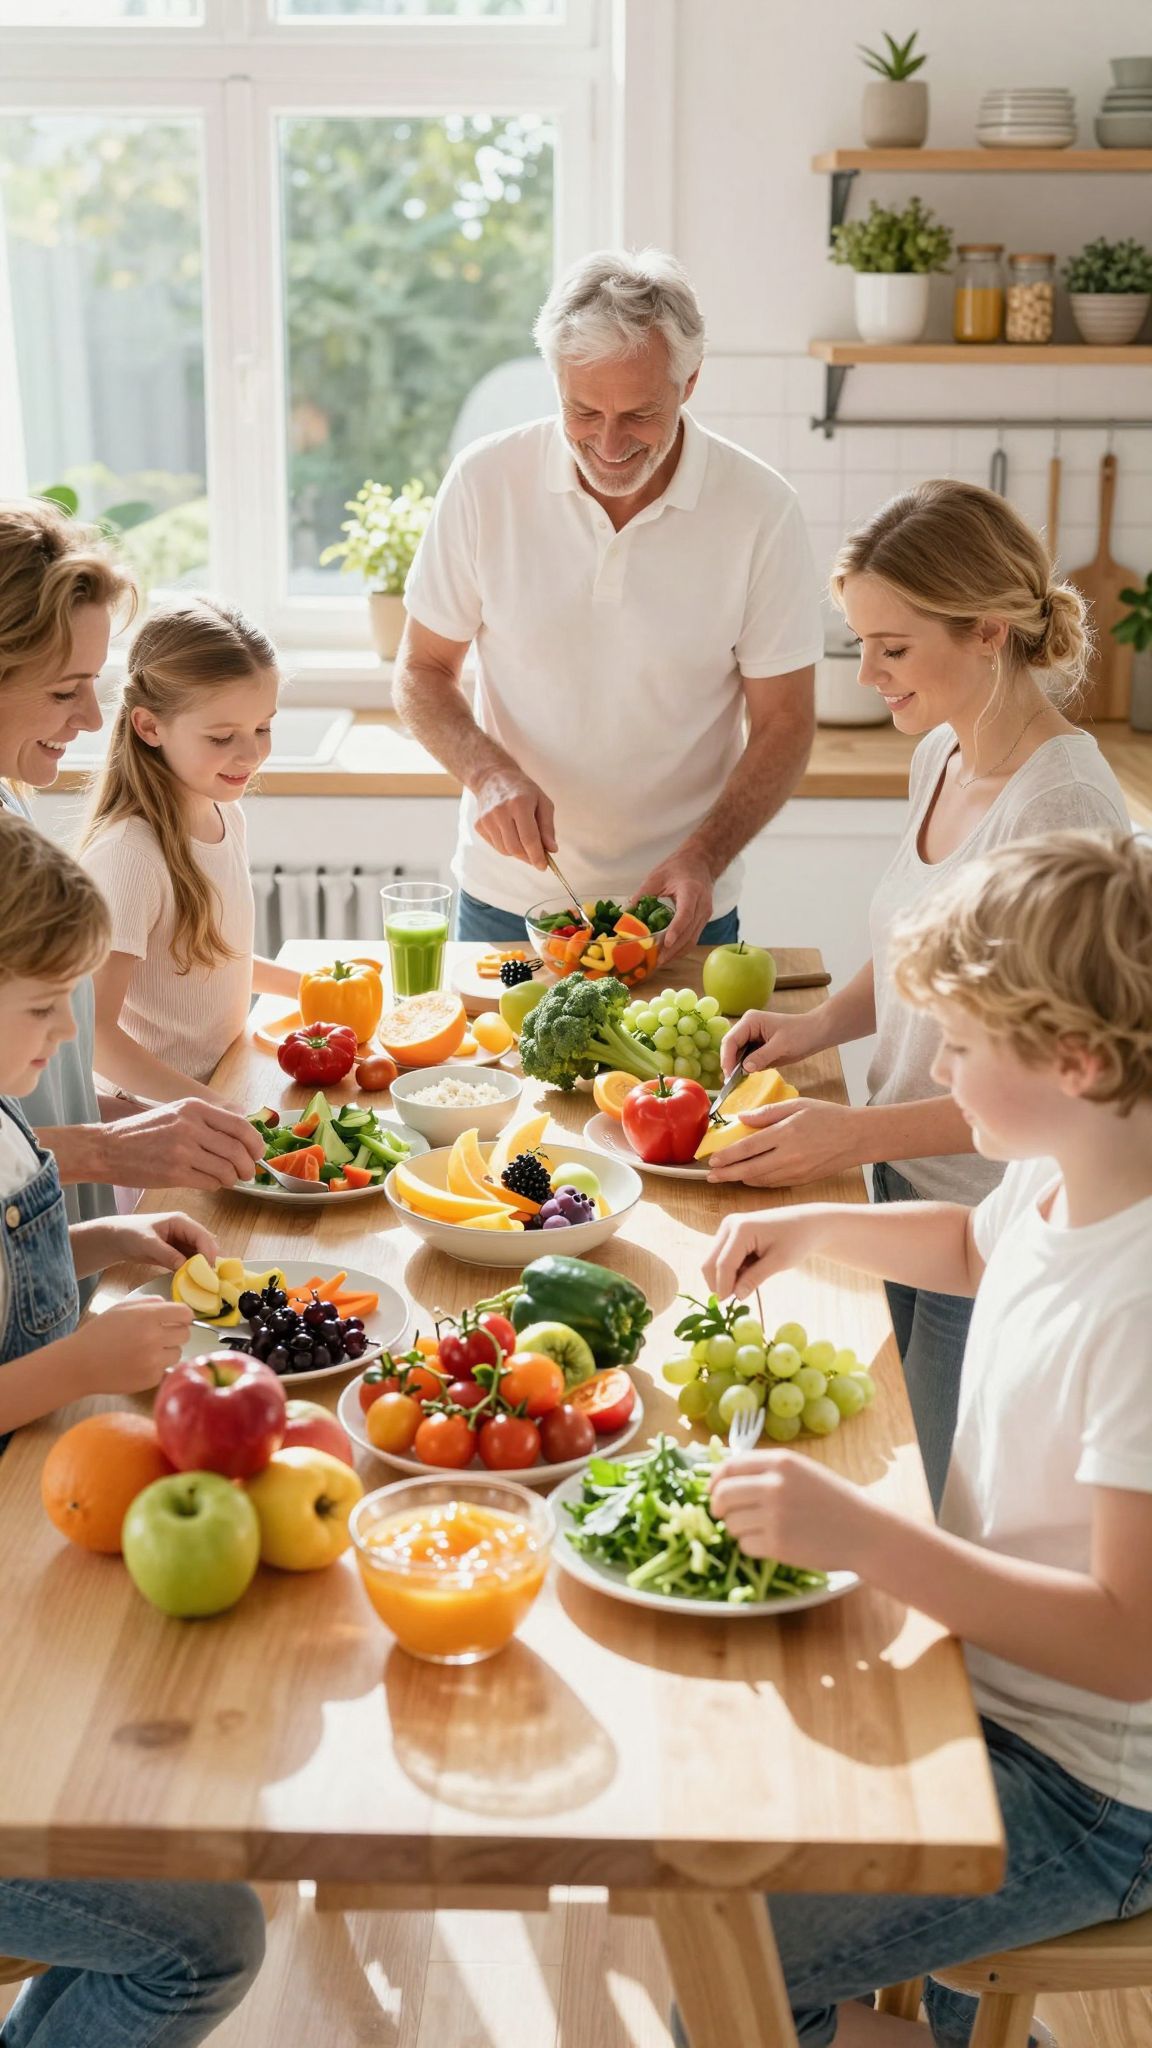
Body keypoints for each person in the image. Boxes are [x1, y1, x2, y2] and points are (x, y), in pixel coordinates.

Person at [700, 831, 1152, 2048]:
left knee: (725, 1953)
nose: (938, 1073)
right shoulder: (1072, 1173)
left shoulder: (1145, 1298)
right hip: (990, 1686)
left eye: (957, 1047)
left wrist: (864, 1535)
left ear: (1076, 1058)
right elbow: (972, 1249)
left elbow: (1125, 1644)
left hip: (1092, 1791)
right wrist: (809, 1228)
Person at [717, 482, 1129, 1506]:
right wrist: (818, 1025)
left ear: (988, 633)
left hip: (981, 1213)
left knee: (934, 1496)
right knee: (870, 1463)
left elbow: (1062, 1079)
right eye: (861, 642)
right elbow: (925, 950)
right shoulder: (943, 751)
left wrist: (849, 1135)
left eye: (892, 648)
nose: (868, 674)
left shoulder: (1063, 808)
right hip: (901, 1184)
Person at [0, 809, 265, 2043]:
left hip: (29, 1573)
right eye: (46, 1007)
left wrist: (100, 1240)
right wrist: (79, 1359)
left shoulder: (3, 1121)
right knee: (199, 1941)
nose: (68, 1039)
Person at [394, 247, 823, 958]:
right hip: (510, 915)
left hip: (683, 913)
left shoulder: (761, 511)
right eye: (583, 410)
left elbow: (785, 722)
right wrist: (487, 772)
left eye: (639, 413)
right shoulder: (484, 483)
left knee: (672, 1070)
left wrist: (705, 856)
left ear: (690, 382)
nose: (610, 442)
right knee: (500, 1065)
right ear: (555, 382)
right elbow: (419, 670)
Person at [0, 501, 266, 1214]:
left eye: (93, 682)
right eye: (65, 690)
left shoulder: (11, 811)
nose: (94, 719)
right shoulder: (116, 849)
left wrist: (145, 1129)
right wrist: (114, 1149)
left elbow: (47, 1065)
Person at [81, 598, 298, 1105]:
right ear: (149, 726)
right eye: (223, 737)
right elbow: (93, 1035)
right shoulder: (129, 857)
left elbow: (213, 965)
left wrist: (312, 986)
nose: (251, 754)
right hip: (153, 1122)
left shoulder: (225, 815)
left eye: (262, 728)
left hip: (218, 1092)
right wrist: (217, 1112)